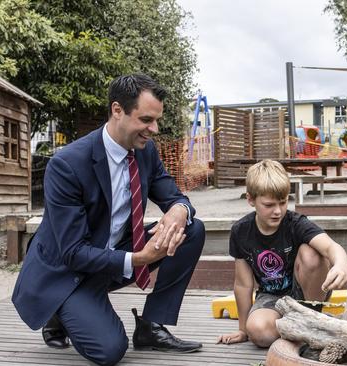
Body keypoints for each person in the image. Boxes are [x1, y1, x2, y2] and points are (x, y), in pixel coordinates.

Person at [12, 73, 206, 366]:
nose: (153, 129)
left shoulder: (145, 151)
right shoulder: (67, 165)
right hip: (67, 271)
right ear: (117, 110)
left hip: (111, 253)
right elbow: (73, 252)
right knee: (110, 350)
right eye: (145, 120)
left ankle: (152, 326)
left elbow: (173, 196)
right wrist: (140, 258)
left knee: (192, 229)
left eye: (156, 120)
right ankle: (57, 309)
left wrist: (180, 208)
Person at [216, 159, 347, 347]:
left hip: (306, 294)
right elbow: (243, 284)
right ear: (250, 200)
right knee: (258, 331)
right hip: (271, 298)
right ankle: (302, 330)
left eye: (283, 202)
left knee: (312, 253)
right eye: (269, 205)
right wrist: (242, 330)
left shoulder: (296, 223)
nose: (278, 211)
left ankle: (313, 320)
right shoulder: (241, 231)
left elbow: (331, 247)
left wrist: (341, 264)